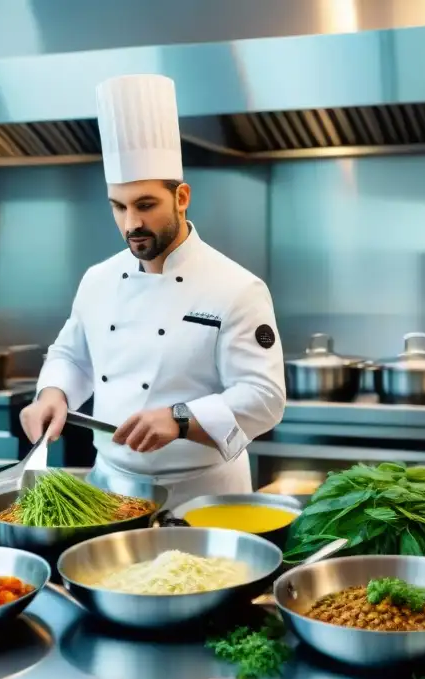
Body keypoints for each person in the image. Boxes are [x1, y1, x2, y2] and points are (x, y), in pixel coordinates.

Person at [20, 74, 286, 507]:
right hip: (109, 489)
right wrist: (53, 394)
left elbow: (265, 397)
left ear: (182, 197)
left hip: (203, 496)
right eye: (119, 207)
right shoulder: (98, 279)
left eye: (145, 205)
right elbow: (72, 355)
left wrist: (181, 419)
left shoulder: (237, 287)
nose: (131, 224)